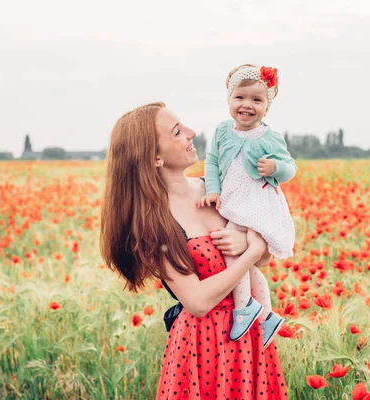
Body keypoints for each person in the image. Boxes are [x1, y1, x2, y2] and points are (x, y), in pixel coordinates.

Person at [100, 102, 288, 399]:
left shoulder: (216, 189)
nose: (191, 133)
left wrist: (251, 245)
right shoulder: (154, 221)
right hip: (204, 346)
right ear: (155, 157)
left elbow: (265, 254)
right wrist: (250, 253)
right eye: (177, 131)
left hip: (250, 334)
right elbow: (197, 301)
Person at [197, 64, 296, 347]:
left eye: (257, 100)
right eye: (240, 98)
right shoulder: (221, 131)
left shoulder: (270, 137)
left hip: (257, 200)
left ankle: (244, 309)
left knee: (233, 254)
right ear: (229, 100)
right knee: (249, 264)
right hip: (233, 199)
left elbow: (290, 169)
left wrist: (275, 166)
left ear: (267, 105)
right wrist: (213, 191)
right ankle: (266, 315)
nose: (247, 105)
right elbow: (213, 162)